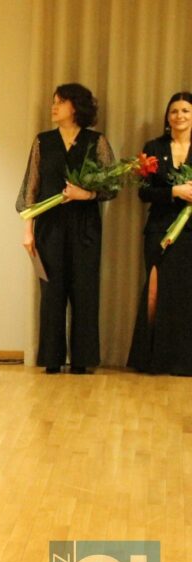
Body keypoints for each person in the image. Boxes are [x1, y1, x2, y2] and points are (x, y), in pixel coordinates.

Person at [17, 83, 117, 374]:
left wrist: (86, 194)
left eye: (60, 102)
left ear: (76, 106)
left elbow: (112, 186)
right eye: (54, 101)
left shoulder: (96, 142)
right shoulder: (43, 141)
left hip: (85, 227)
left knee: (85, 291)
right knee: (51, 292)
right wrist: (28, 231)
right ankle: (52, 358)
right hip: (49, 227)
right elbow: (31, 189)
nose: (54, 107)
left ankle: (82, 360)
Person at [128, 92, 192, 375]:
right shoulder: (153, 147)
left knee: (185, 295)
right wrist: (174, 191)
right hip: (159, 230)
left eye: (186, 111)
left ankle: (183, 361)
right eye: (174, 111)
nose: (179, 116)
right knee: (156, 292)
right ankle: (152, 359)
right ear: (167, 116)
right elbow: (143, 193)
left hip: (189, 232)